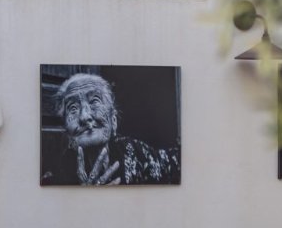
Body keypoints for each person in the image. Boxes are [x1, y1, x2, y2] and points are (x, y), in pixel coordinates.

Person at [44, 72, 180, 185]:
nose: (84, 116)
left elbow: (174, 163)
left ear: (113, 121)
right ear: (67, 132)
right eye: (73, 108)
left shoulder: (134, 152)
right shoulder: (54, 178)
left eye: (94, 101)